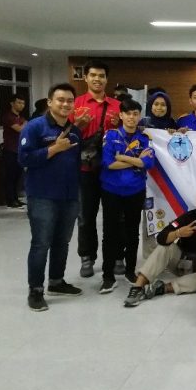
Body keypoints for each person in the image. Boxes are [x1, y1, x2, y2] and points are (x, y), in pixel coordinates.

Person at [18, 83, 83, 311]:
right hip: (42, 195)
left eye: (69, 101)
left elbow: (76, 162)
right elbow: (24, 159)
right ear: (49, 102)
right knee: (41, 243)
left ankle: (56, 281)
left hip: (69, 195)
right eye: (60, 100)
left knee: (62, 242)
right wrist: (54, 148)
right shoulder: (34, 127)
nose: (65, 104)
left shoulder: (75, 131)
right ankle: (35, 290)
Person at [124, 183, 196, 306]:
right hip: (183, 264)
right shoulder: (189, 216)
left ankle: (162, 288)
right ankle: (138, 287)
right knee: (165, 247)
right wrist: (178, 233)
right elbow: (161, 238)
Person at [98, 99, 155, 294]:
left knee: (132, 232)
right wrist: (137, 160)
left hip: (135, 190)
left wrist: (122, 157)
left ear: (139, 116)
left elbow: (149, 164)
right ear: (121, 115)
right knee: (110, 233)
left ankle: (130, 271)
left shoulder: (145, 138)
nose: (131, 117)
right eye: (128, 113)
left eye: (135, 114)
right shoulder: (111, 135)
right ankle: (108, 276)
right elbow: (108, 164)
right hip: (111, 190)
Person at [71, 60, 121, 279]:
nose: (97, 79)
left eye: (101, 76)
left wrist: (120, 126)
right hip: (85, 170)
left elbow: (127, 134)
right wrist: (78, 126)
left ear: (107, 79)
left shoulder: (117, 106)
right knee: (85, 216)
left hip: (112, 169)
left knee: (115, 216)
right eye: (93, 75)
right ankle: (87, 257)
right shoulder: (76, 104)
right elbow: (65, 137)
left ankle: (116, 256)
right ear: (86, 78)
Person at [2, 93, 27, 209]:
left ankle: (16, 198)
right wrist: (25, 124)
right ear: (12, 103)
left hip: (20, 151)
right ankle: (10, 200)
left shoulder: (20, 118)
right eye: (19, 102)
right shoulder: (8, 117)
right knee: (10, 176)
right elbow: (20, 129)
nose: (21, 105)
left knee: (18, 176)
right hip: (10, 150)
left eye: (23, 103)